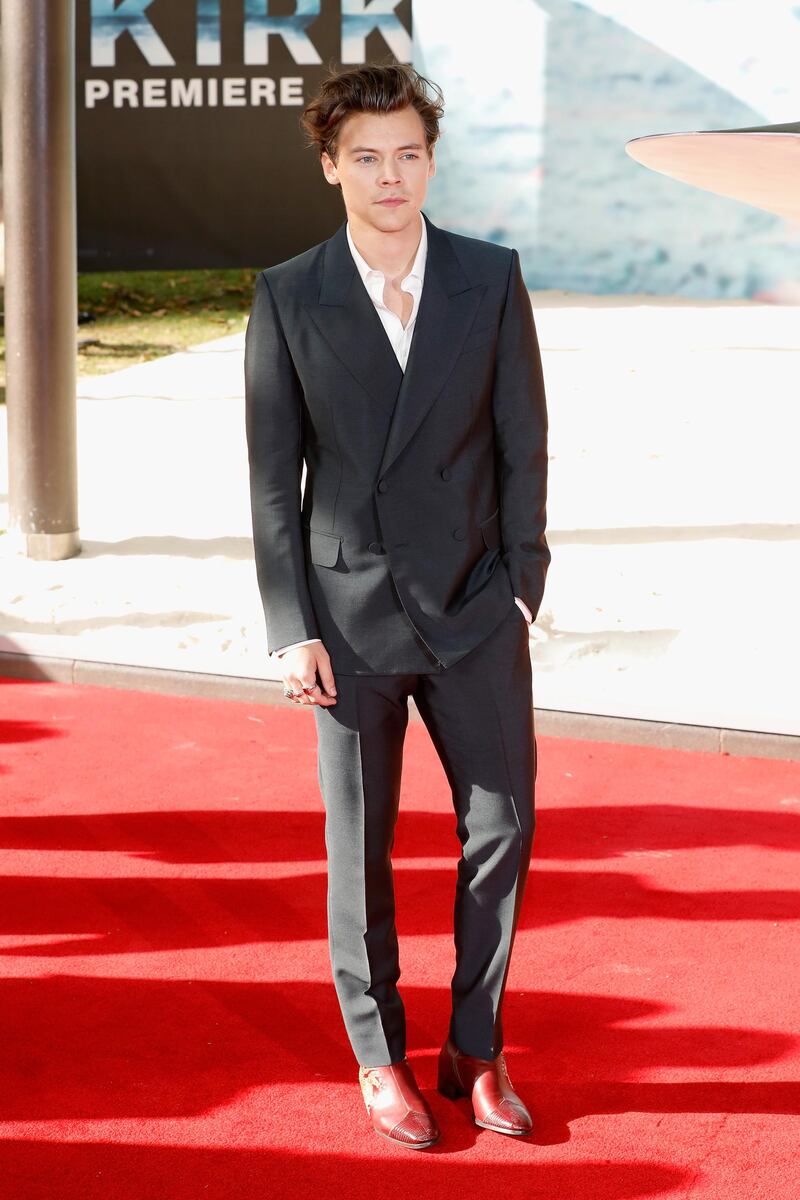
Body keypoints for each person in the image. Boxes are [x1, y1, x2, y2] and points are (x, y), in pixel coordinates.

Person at [244, 60, 550, 1149]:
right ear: (330, 166)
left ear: (430, 159)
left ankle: (475, 1044)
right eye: (365, 157)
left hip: (473, 603)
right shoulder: (287, 294)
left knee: (501, 830)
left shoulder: (488, 276)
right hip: (347, 619)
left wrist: (521, 584)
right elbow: (273, 480)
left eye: (407, 153)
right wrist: (291, 626)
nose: (389, 176)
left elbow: (522, 439)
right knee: (358, 849)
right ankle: (378, 1055)